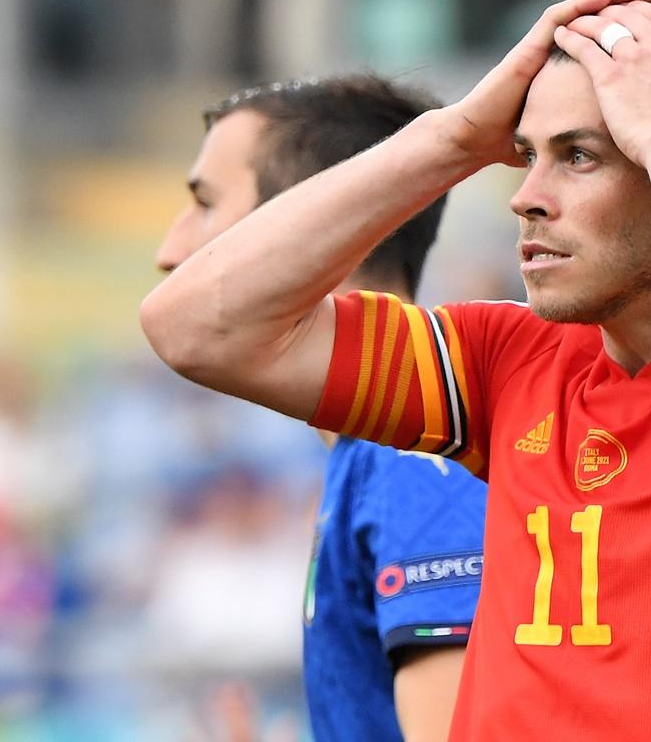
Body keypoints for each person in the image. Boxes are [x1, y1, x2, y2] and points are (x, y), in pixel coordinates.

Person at [143, 0, 651, 741]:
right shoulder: (507, 362)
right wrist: (453, 136)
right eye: (528, 153)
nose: (525, 194)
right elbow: (196, 329)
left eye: (579, 155)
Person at [154, 74, 487, 742]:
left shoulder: (416, 455)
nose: (171, 252)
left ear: (313, 230)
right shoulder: (377, 451)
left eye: (206, 205)